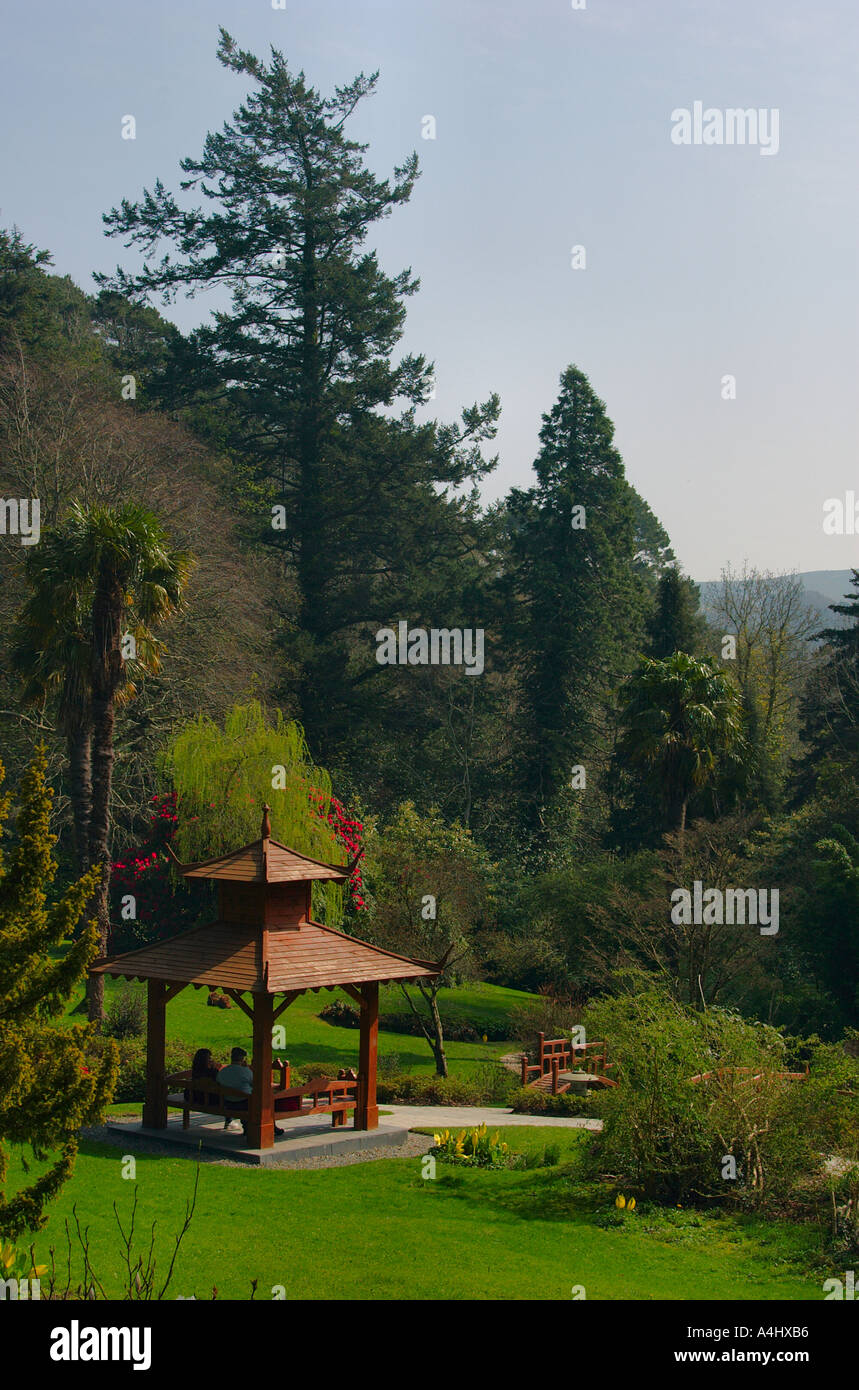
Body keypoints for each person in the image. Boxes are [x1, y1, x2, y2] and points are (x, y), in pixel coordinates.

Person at [218, 1047, 284, 1138]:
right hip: (244, 1104)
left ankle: (247, 1127)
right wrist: (247, 1069)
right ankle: (272, 1127)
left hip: (227, 1102)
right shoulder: (245, 1071)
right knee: (263, 1103)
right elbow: (255, 1083)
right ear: (243, 1059)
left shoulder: (223, 1071)